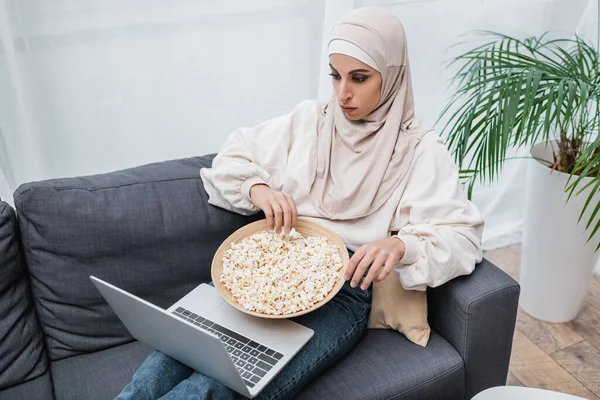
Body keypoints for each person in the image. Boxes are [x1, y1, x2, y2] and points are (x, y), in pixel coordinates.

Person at [117, 6, 484, 400]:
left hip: (344, 293)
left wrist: (401, 245)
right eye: (335, 75)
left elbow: (462, 236)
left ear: (391, 75)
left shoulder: (420, 148)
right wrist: (258, 188)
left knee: (216, 387)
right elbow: (232, 157)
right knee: (165, 359)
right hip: (267, 264)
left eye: (359, 78)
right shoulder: (310, 119)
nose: (342, 93)